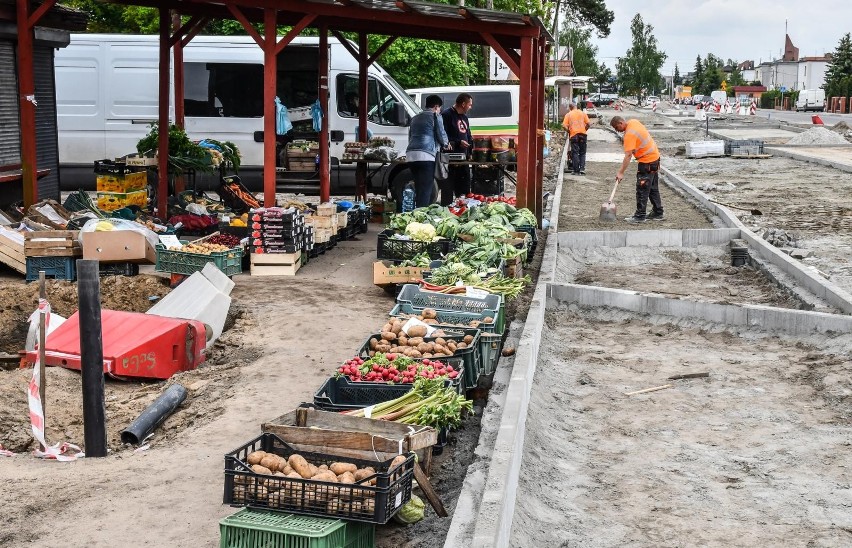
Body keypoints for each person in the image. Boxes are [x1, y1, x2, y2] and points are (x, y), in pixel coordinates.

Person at [610, 115, 664, 223]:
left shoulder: (629, 135)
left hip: (647, 162)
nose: (617, 131)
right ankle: (658, 212)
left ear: (621, 123)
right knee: (653, 188)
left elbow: (628, 155)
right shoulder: (633, 122)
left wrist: (620, 172)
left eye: (617, 128)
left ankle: (640, 216)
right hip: (655, 158)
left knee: (642, 189)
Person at [405, 94, 449, 208]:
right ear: (435, 106)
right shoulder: (435, 116)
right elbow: (441, 134)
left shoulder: (415, 118)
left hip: (411, 156)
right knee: (426, 189)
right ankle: (421, 216)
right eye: (439, 108)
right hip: (426, 155)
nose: (439, 110)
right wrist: (446, 144)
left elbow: (410, 136)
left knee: (419, 187)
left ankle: (416, 212)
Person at [440, 93, 474, 205]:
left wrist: (470, 151)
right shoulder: (446, 115)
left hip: (463, 158)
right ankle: (447, 208)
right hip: (449, 158)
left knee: (464, 188)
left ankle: (463, 209)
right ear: (463, 104)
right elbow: (442, 135)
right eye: (469, 105)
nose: (470, 107)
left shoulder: (464, 117)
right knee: (448, 188)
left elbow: (468, 134)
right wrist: (458, 142)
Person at [562, 102, 590, 175]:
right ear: (576, 107)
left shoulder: (568, 115)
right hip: (583, 135)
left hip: (574, 135)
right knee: (582, 153)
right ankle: (582, 169)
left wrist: (569, 131)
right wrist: (584, 130)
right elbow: (588, 124)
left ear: (570, 108)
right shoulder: (583, 113)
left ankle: (576, 170)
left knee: (575, 153)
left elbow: (564, 126)